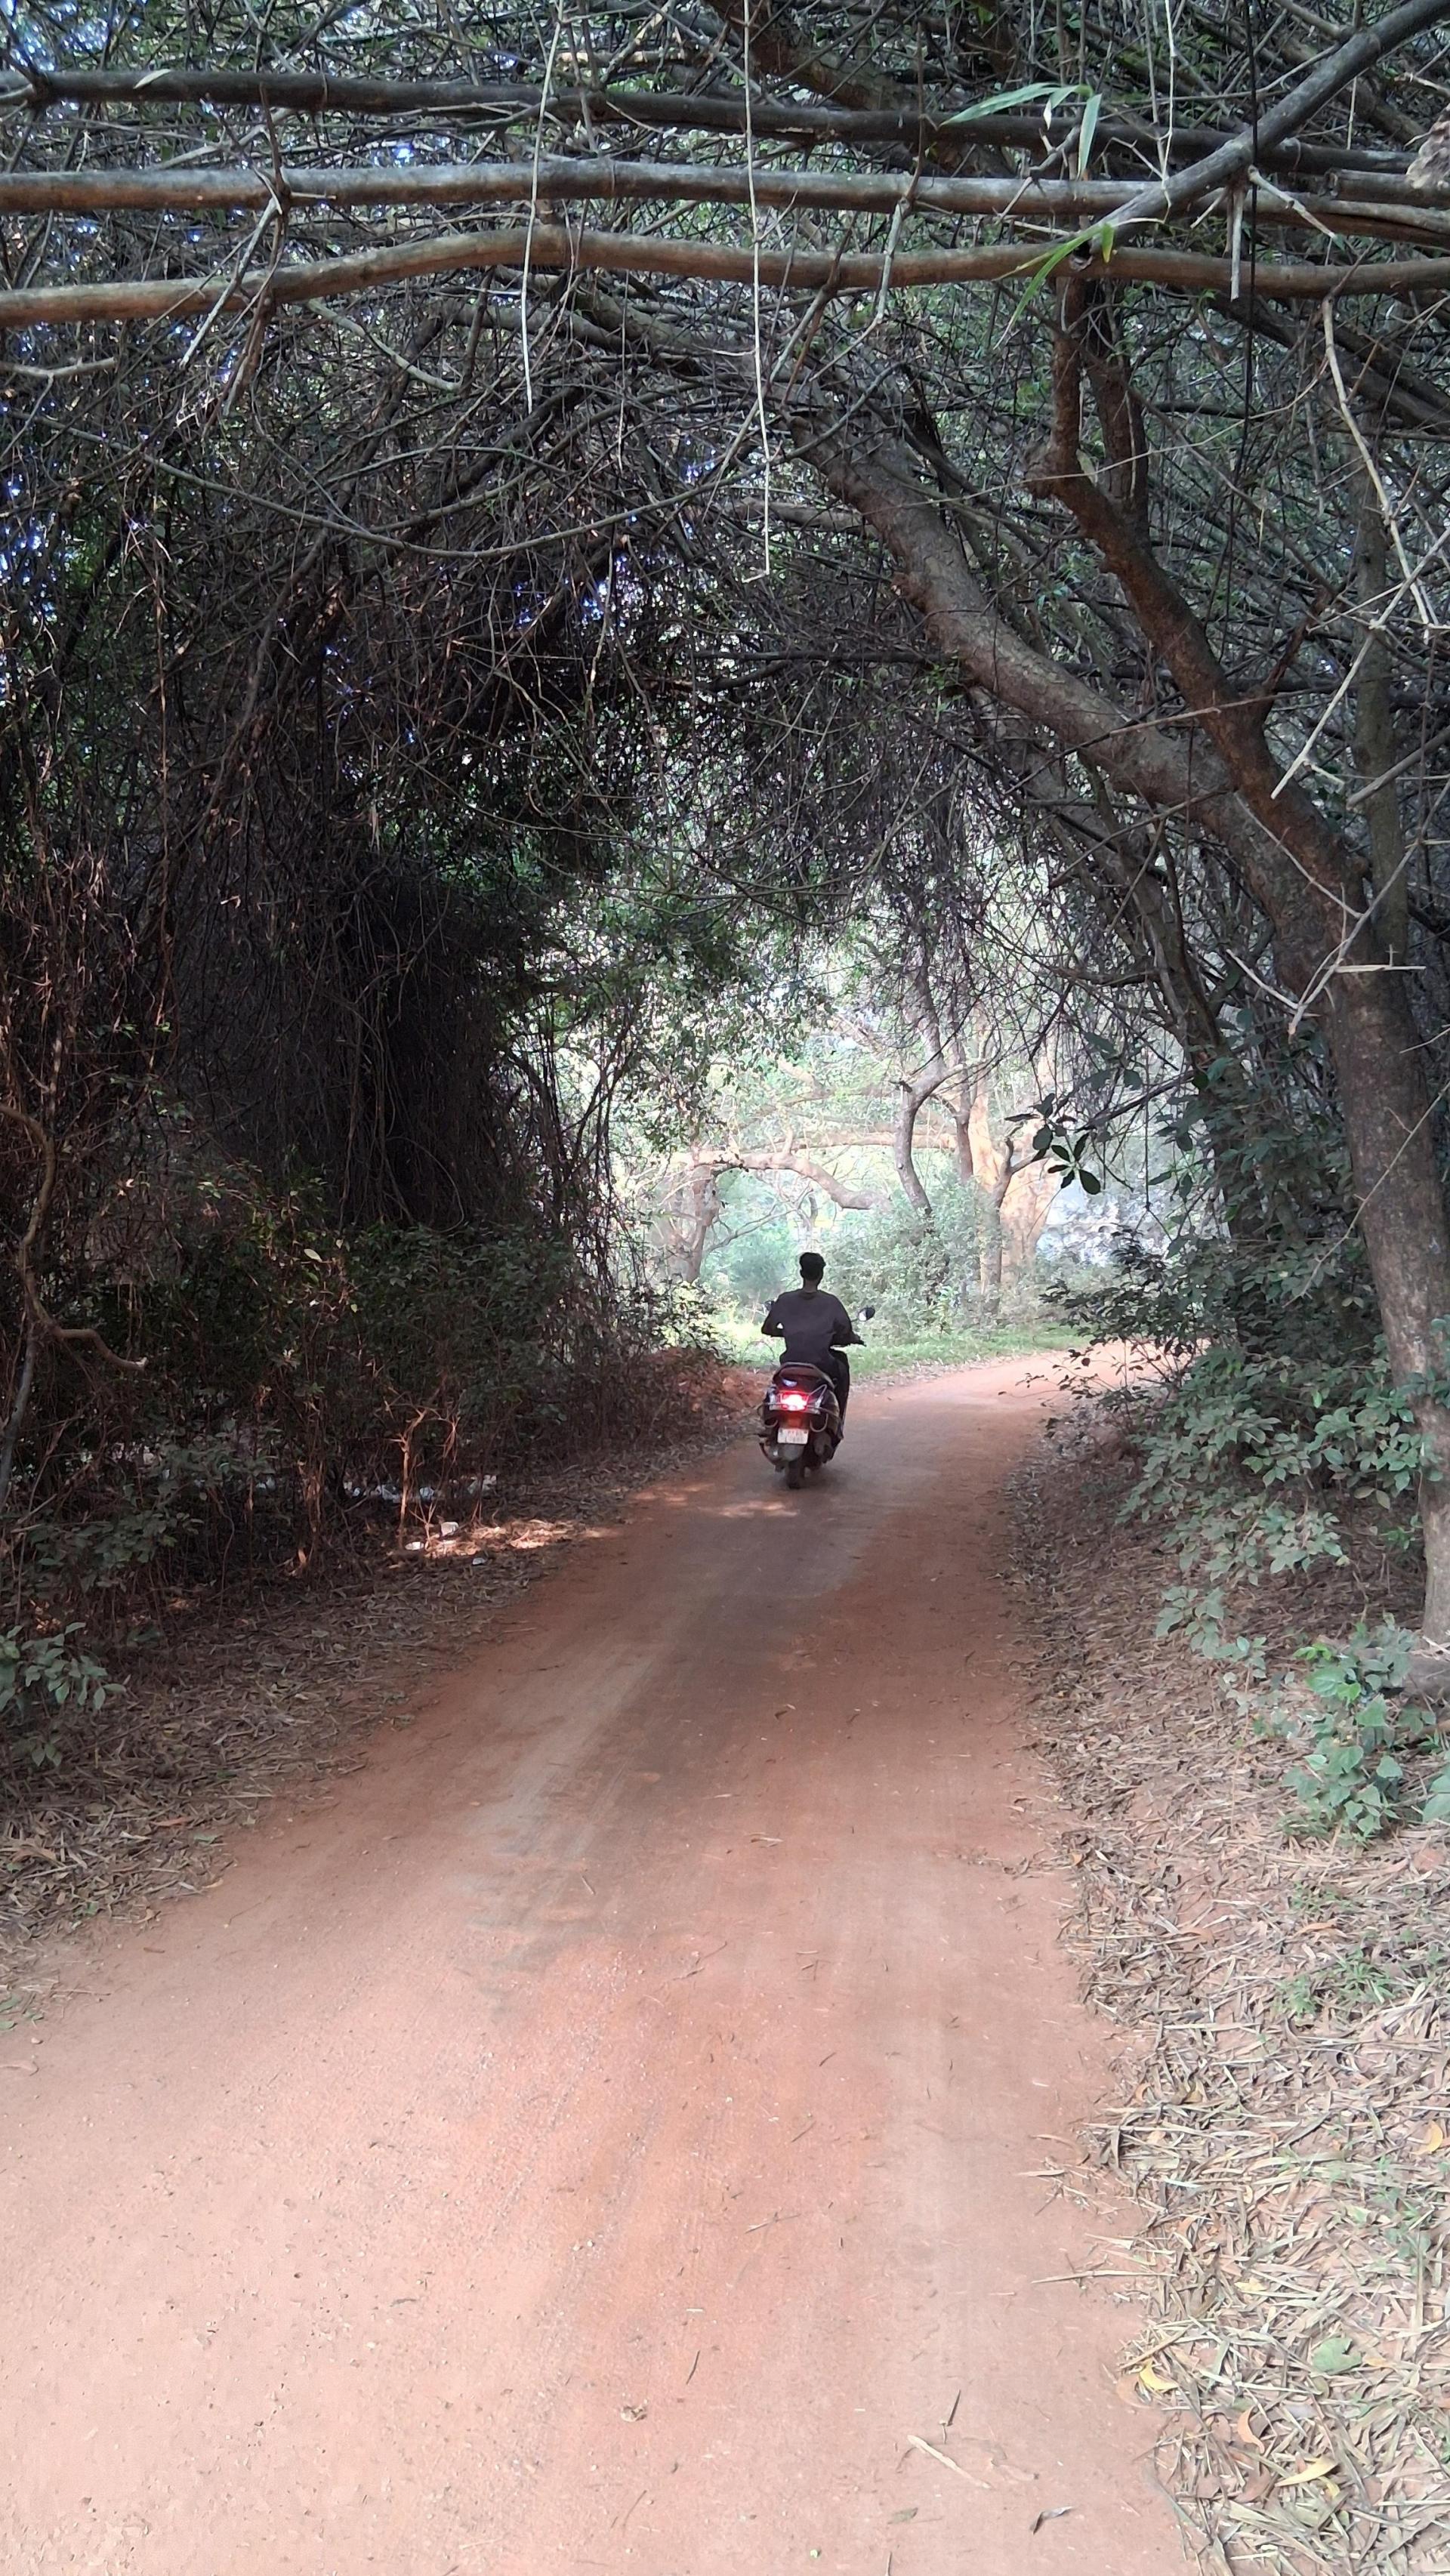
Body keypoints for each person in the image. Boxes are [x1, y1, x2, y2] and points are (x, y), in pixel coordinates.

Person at [760, 1251, 862, 1427]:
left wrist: (789, 1332)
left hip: (790, 1363)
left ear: (801, 1273)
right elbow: (846, 1333)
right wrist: (853, 1339)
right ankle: (837, 1421)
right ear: (821, 1275)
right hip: (822, 1364)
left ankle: (770, 1423)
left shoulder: (785, 1300)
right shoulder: (831, 1303)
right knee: (842, 1367)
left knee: (776, 1386)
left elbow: (767, 1328)